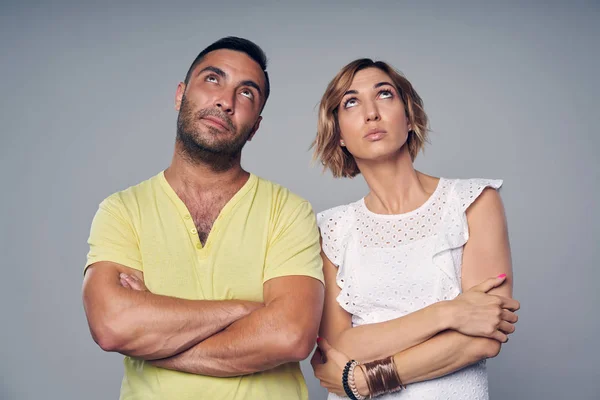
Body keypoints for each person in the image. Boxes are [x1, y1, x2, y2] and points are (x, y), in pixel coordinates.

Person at [82, 37, 324, 400]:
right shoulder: (122, 210)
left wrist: (158, 342)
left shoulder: (287, 211)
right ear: (180, 95)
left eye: (246, 94)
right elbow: (113, 325)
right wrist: (245, 310)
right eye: (213, 79)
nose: (225, 101)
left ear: (255, 126)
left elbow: (290, 335)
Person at [310, 58, 520, 399]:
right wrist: (448, 313)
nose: (371, 113)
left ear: (409, 118)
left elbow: (484, 336)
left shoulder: (473, 202)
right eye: (351, 102)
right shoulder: (331, 229)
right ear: (339, 135)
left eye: (384, 95)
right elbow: (338, 348)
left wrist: (368, 379)